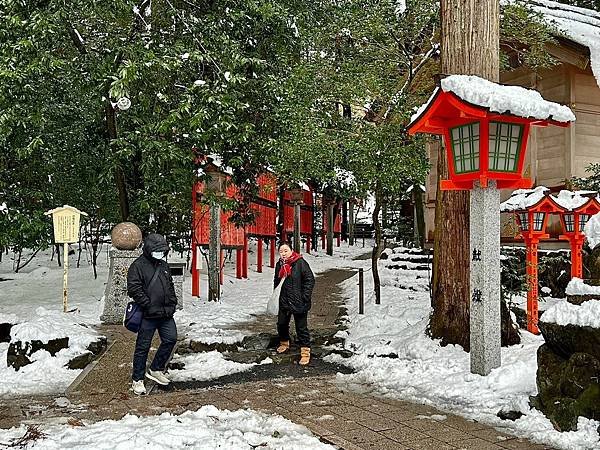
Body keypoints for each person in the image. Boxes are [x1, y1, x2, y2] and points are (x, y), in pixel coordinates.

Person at [127, 233, 178, 395]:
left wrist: (172, 304)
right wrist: (148, 305)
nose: (160, 253)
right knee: (143, 347)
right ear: (149, 249)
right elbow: (134, 289)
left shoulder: (163, 265)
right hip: (147, 314)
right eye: (157, 250)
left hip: (165, 313)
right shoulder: (138, 266)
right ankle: (137, 379)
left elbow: (169, 286)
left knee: (171, 339)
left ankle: (156, 368)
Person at [273, 242, 315, 365]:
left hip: (299, 301)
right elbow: (277, 280)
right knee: (281, 323)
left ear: (291, 251)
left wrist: (305, 296)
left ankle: (305, 352)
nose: (283, 253)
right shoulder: (279, 264)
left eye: (286, 250)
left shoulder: (300, 263)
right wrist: (276, 294)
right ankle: (284, 342)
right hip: (284, 300)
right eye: (281, 251)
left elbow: (309, 279)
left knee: (301, 328)